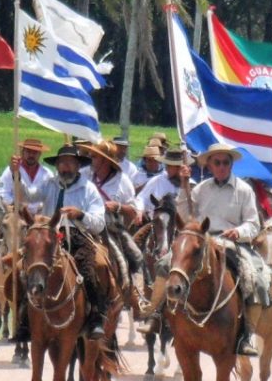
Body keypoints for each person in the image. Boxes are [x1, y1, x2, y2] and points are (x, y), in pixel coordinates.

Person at [168, 143, 266, 356]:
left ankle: (246, 333)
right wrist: (184, 185)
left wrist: (239, 232)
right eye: (217, 162)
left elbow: (253, 223)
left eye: (225, 162)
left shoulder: (244, 190)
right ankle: (159, 318)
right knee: (166, 264)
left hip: (231, 242)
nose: (222, 166)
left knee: (253, 276)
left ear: (231, 165)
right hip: (202, 239)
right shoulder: (200, 189)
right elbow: (184, 216)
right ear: (210, 165)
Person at [11, 144, 107, 339]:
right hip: (47, 237)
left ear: (78, 165)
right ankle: (25, 318)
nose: (65, 167)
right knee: (25, 268)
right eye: (62, 163)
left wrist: (80, 214)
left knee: (91, 267)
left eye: (70, 163)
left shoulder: (88, 189)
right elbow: (28, 195)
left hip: (78, 235)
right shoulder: (50, 183)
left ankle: (94, 316)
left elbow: (99, 223)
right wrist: (17, 176)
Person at [80, 140, 145, 318]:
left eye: (94, 156)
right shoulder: (83, 175)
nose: (90, 159)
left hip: (111, 229)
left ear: (105, 160)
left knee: (134, 256)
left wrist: (118, 206)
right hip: (82, 227)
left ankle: (136, 296)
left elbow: (133, 211)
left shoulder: (123, 181)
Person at [0, 138, 53, 216]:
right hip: (14, 212)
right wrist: (13, 203)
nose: (31, 155)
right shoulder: (11, 170)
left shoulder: (47, 174)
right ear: (22, 152)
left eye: (35, 152)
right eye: (28, 151)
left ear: (40, 154)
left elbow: (51, 195)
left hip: (39, 214)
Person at [136, 147, 193, 218]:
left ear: (179, 167)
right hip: (155, 222)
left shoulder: (191, 185)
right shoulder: (158, 180)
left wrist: (183, 183)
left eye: (169, 166)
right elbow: (141, 197)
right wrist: (139, 210)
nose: (166, 168)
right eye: (167, 165)